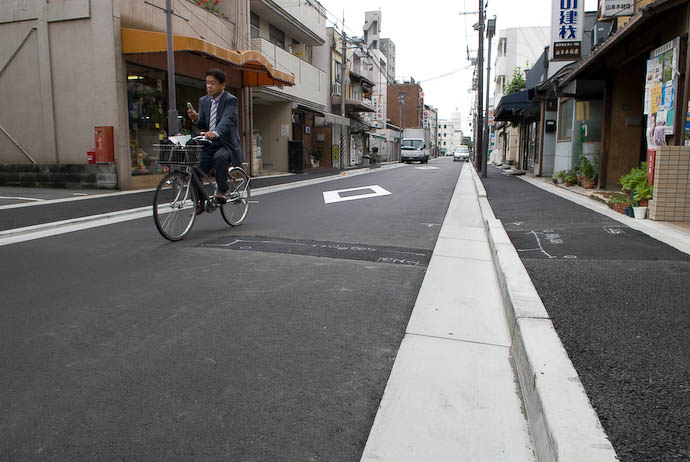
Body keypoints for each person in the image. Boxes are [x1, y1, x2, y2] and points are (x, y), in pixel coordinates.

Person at [187, 68, 244, 214]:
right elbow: (203, 123)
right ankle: (201, 200)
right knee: (194, 168)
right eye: (207, 83)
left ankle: (222, 191)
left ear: (222, 85)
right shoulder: (204, 101)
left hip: (226, 143)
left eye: (213, 83)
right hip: (209, 143)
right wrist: (195, 119)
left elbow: (227, 119)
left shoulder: (230, 100)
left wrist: (216, 132)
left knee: (220, 157)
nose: (209, 86)